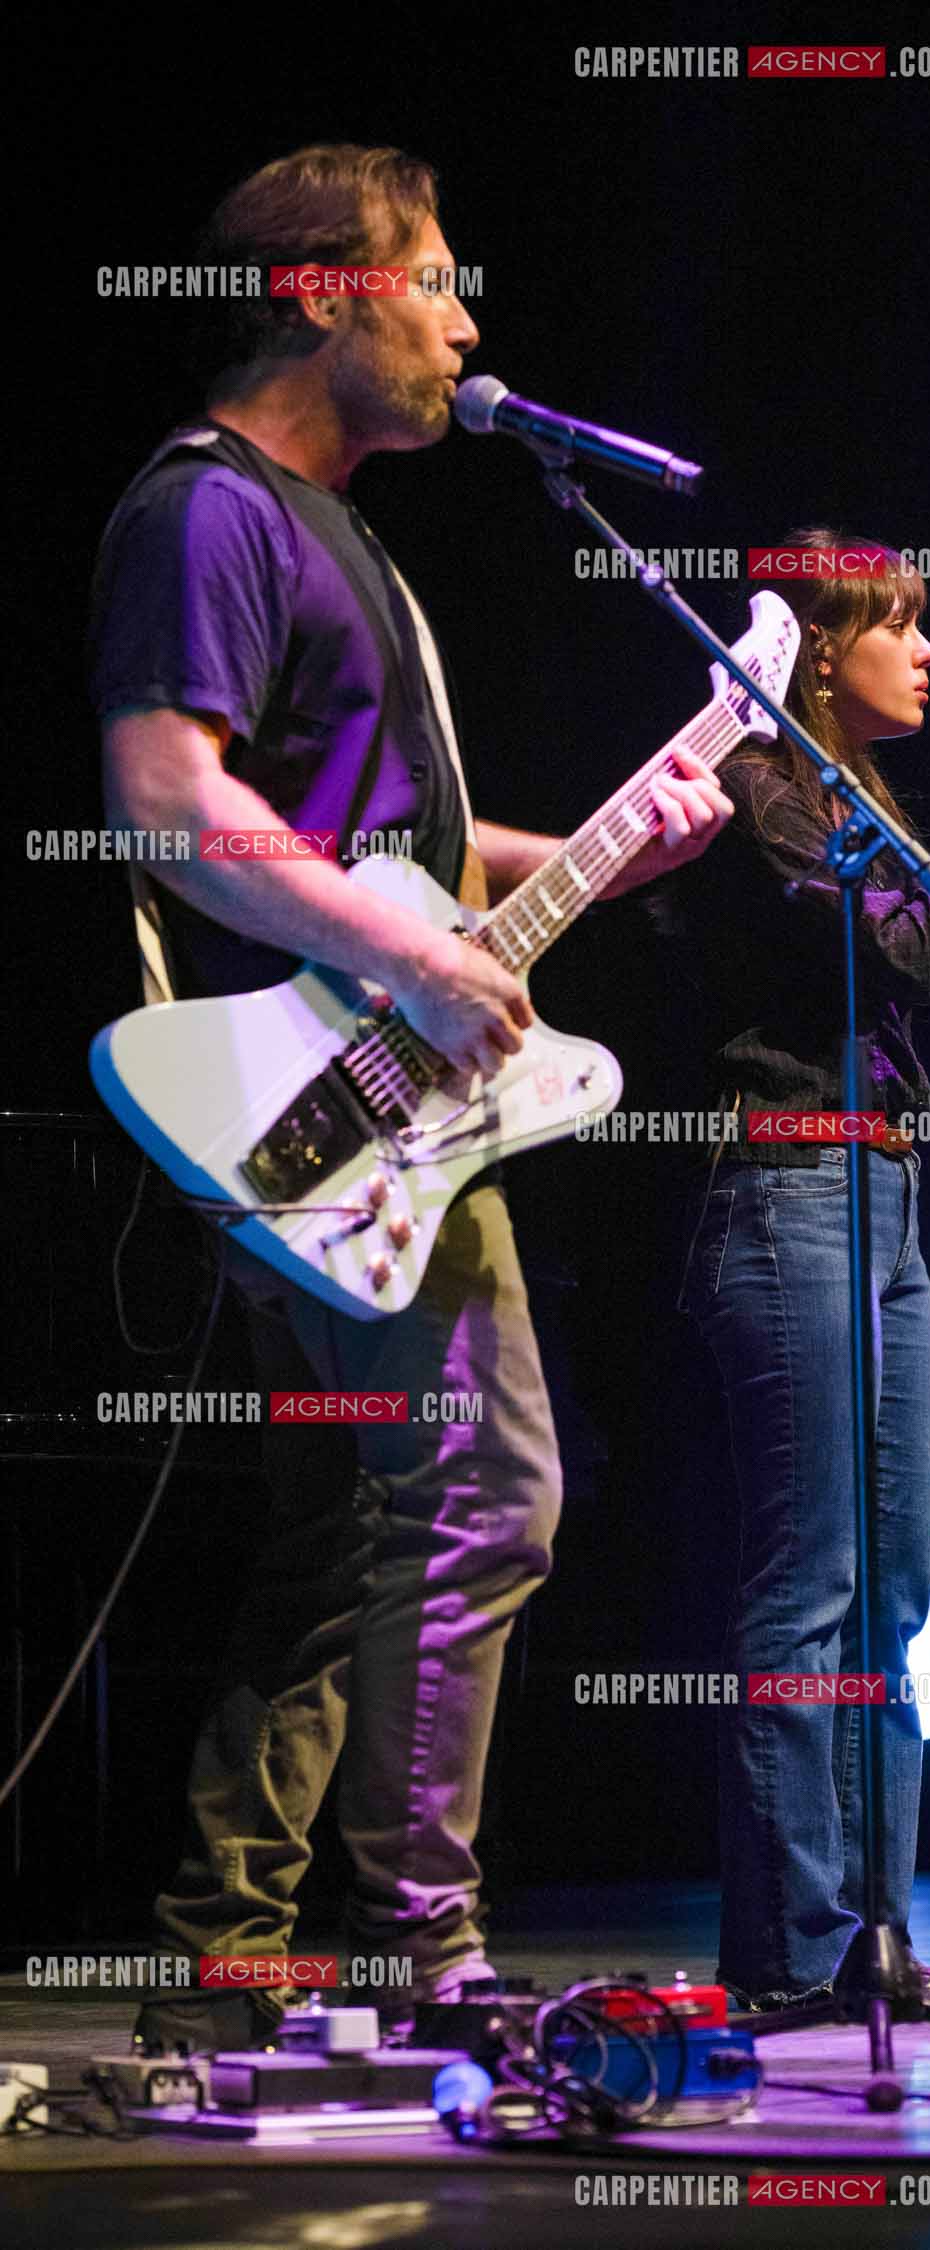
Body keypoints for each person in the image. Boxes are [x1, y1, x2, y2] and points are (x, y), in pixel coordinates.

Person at [87, 143, 732, 2048]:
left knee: (345, 1528)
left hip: (379, 1092)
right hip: (318, 1099)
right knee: (481, 1488)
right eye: (432, 281)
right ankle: (422, 1951)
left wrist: (615, 853)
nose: (466, 325)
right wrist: (422, 962)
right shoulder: (209, 512)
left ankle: (231, 1955)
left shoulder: (347, 533)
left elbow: (408, 860)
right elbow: (171, 801)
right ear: (318, 293)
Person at [665, 532, 930, 2010]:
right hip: (783, 1186)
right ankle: (794, 1948)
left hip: (884, 1195)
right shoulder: (760, 788)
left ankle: (876, 1936)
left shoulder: (872, 796)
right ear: (822, 650)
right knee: (812, 1580)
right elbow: (895, 959)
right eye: (899, 625)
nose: (927, 650)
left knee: (896, 1588)